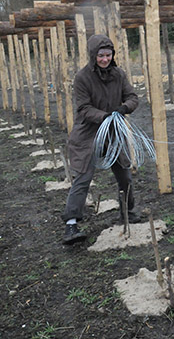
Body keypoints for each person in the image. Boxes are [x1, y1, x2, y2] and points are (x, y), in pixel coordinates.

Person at [61, 34, 140, 245]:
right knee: (83, 178)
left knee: (124, 175)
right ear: (93, 55)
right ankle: (71, 225)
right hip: (88, 134)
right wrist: (104, 116)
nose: (105, 59)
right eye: (100, 55)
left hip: (113, 133)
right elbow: (83, 108)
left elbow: (132, 97)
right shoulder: (82, 78)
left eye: (108, 55)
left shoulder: (119, 75)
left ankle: (128, 213)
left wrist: (124, 108)